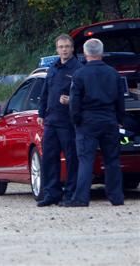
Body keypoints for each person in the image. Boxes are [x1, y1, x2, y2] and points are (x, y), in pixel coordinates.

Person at [63, 38, 126, 207]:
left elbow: (75, 102)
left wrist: (76, 120)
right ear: (101, 53)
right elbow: (121, 100)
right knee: (112, 160)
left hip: (87, 122)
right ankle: (116, 197)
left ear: (85, 53)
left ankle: (81, 198)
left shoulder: (80, 74)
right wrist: (119, 120)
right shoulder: (113, 73)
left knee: (85, 160)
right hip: (109, 120)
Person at [35, 34, 81, 206]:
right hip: (51, 121)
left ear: (72, 48)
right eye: (61, 47)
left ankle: (70, 194)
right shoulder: (53, 68)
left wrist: (71, 100)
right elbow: (45, 92)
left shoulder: (78, 68)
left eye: (67, 46)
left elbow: (85, 95)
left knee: (71, 158)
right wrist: (41, 113)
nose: (64, 50)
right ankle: (51, 193)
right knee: (49, 158)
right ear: (57, 49)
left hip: (68, 122)